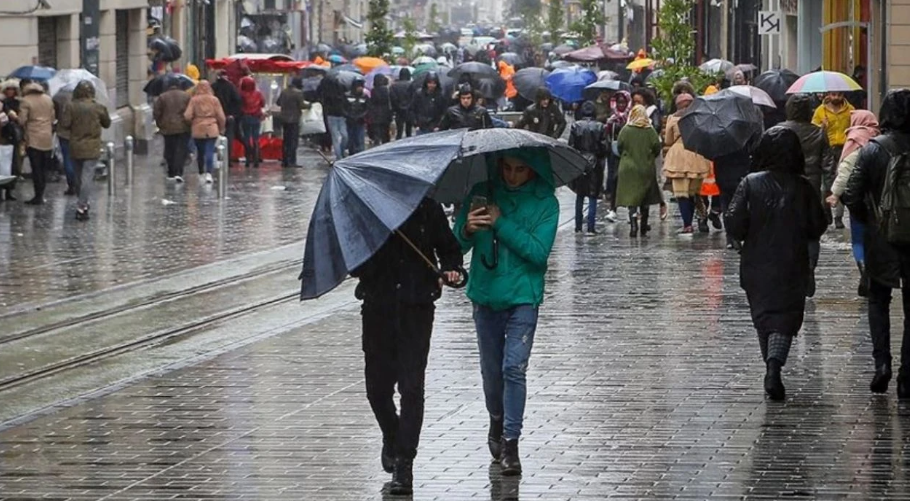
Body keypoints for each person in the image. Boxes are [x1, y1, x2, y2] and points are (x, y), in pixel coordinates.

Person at [453, 149, 559, 477]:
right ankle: (496, 419)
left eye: (520, 170)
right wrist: (467, 229)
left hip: (523, 296)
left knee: (514, 368)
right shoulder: (482, 193)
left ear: (533, 170)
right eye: (507, 168)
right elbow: (455, 246)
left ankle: (511, 442)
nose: (512, 176)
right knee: (491, 372)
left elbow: (538, 253)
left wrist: (501, 223)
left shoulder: (545, 203)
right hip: (485, 294)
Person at [351, 198, 463, 495]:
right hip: (378, 308)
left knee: (412, 387)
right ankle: (392, 434)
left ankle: (404, 462)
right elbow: (354, 263)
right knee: (377, 389)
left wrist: (451, 271)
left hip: (417, 307)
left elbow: (449, 250)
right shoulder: (369, 209)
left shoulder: (428, 207)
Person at [725, 126, 827, 401]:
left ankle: (771, 366)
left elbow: (734, 223)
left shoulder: (750, 182)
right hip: (792, 262)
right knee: (785, 318)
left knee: (764, 316)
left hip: (757, 262)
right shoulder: (803, 186)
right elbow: (818, 224)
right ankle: (774, 366)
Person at [843, 89, 910, 398]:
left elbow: (851, 193)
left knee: (878, 299)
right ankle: (907, 375)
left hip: (881, 236)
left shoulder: (873, 150)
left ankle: (882, 364)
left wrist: (868, 220)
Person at [781, 93, 829, 296]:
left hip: (784, 189)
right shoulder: (819, 133)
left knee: (786, 231)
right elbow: (828, 166)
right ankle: (809, 267)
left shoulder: (778, 131)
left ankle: (791, 271)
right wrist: (829, 192)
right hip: (812, 187)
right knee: (812, 232)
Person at [828, 110, 880, 297]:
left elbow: (845, 170)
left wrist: (835, 193)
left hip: (858, 199)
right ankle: (873, 269)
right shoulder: (878, 138)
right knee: (874, 235)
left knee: (858, 236)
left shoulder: (854, 138)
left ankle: (864, 267)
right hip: (877, 198)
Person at [59, 80, 111, 220]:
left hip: (75, 145)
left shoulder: (71, 106)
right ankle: (82, 206)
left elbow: (65, 124)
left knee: (78, 177)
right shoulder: (98, 107)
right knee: (87, 176)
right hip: (92, 146)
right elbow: (107, 123)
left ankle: (83, 202)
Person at [663, 93, 711, 233]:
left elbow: (668, 140)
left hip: (678, 156)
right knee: (694, 192)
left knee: (681, 194)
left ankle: (687, 225)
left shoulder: (673, 118)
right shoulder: (700, 117)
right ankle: (702, 217)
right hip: (696, 154)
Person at [617, 104, 662, 237]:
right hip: (646, 167)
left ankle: (633, 225)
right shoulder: (650, 130)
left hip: (628, 168)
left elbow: (619, 146)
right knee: (645, 198)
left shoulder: (626, 130)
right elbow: (656, 148)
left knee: (632, 198)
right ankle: (643, 225)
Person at [813, 91, 855, 228]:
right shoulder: (820, 111)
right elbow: (813, 131)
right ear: (828, 95)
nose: (836, 98)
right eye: (833, 95)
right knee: (826, 184)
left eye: (839, 95)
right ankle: (827, 214)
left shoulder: (850, 110)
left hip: (845, 148)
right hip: (827, 149)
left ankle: (838, 217)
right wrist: (822, 126)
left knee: (842, 181)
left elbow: (854, 128)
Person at [568, 101, 608, 234]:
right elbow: (604, 148)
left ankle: (578, 226)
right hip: (595, 164)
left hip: (580, 162)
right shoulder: (600, 127)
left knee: (579, 195)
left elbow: (571, 146)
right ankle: (591, 227)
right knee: (592, 195)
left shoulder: (576, 126)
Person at [18, 81, 55, 205]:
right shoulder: (48, 99)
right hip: (47, 136)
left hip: (33, 137)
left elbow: (22, 120)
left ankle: (38, 195)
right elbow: (52, 118)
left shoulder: (25, 101)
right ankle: (41, 193)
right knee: (43, 167)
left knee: (36, 167)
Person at [184, 80, 226, 184]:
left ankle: (201, 172)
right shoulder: (214, 100)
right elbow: (221, 116)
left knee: (200, 151)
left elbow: (187, 115)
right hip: (212, 127)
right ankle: (208, 173)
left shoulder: (194, 100)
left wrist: (192, 122)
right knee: (209, 150)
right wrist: (221, 128)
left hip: (197, 128)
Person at [154, 76, 192, 181]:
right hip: (183, 127)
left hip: (167, 127)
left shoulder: (162, 97)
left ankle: (171, 172)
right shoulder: (186, 96)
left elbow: (157, 112)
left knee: (169, 149)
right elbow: (190, 111)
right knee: (181, 149)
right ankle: (179, 171)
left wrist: (160, 124)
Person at [603, 91, 631, 223]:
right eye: (619, 102)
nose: (621, 105)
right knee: (614, 179)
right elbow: (606, 136)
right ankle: (613, 208)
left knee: (629, 181)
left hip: (628, 153)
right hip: (614, 153)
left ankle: (632, 211)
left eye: (623, 102)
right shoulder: (612, 118)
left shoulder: (630, 118)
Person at [276, 77, 308, 168]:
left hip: (284, 118)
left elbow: (278, 103)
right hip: (294, 119)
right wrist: (309, 105)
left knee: (286, 140)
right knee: (293, 141)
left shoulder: (284, 91)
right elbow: (302, 105)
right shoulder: (298, 93)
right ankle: (292, 161)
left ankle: (285, 160)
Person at [317, 72, 349, 160]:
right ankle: (339, 156)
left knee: (340, 136)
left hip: (334, 114)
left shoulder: (325, 88)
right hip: (335, 114)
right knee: (341, 136)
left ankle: (340, 153)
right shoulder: (338, 88)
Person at [52, 89, 76, 195]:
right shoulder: (78, 99)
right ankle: (77, 183)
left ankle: (71, 184)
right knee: (76, 159)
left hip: (63, 133)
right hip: (77, 134)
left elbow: (55, 115)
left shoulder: (56, 96)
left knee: (67, 158)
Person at [239, 76, 265, 168]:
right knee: (255, 138)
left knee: (246, 137)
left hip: (246, 117)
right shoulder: (258, 94)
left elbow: (239, 105)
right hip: (256, 117)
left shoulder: (242, 94)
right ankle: (256, 158)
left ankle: (248, 158)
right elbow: (263, 103)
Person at [344, 77, 369, 156]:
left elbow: (367, 108)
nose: (360, 88)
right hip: (349, 121)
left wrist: (361, 116)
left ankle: (360, 155)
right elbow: (343, 107)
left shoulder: (364, 96)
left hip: (360, 121)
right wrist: (349, 115)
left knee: (360, 139)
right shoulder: (347, 95)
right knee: (350, 139)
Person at [367, 74, 393, 145]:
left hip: (375, 114)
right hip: (385, 113)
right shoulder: (386, 90)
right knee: (385, 132)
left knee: (377, 132)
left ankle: (377, 143)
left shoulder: (373, 90)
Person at [390, 68, 414, 139]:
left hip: (399, 111)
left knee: (399, 130)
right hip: (409, 110)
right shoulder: (411, 84)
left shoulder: (394, 86)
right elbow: (414, 97)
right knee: (409, 130)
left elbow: (392, 98)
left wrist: (397, 107)